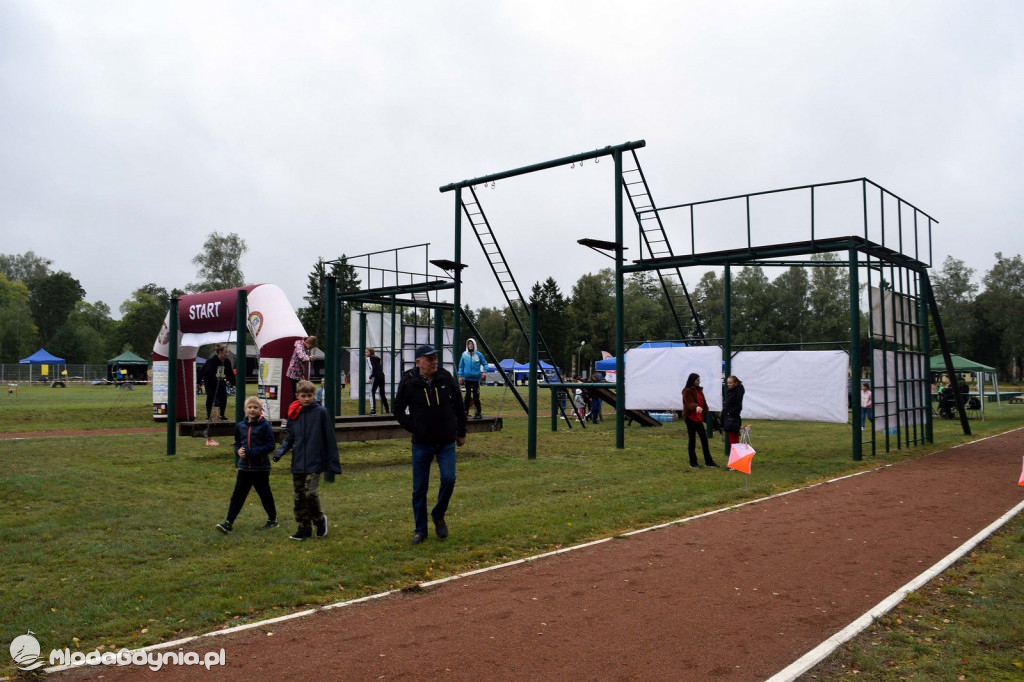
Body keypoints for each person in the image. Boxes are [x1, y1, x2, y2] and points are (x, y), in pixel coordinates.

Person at [392, 344, 467, 545]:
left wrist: (461, 432)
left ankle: (438, 514)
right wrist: (414, 427)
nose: (435, 362)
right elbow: (398, 409)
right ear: (419, 362)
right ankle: (420, 531)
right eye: (430, 359)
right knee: (419, 488)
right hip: (422, 444)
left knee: (449, 479)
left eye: (435, 358)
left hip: (446, 441)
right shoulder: (409, 381)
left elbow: (459, 404)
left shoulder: (445, 376)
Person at [273, 380, 341, 541]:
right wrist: (280, 452)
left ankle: (319, 520)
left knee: (310, 493)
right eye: (303, 396)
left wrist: (333, 463)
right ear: (297, 396)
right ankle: (304, 528)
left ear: (314, 395)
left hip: (315, 461)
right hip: (298, 461)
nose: (307, 399)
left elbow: (330, 438)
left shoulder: (321, 412)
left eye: (310, 395)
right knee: (299, 496)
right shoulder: (294, 413)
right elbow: (290, 437)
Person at [216, 397, 279, 534]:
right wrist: (238, 451)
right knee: (238, 495)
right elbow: (237, 443)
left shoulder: (264, 426)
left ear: (260, 410)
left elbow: (270, 445)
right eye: (250, 407)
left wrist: (252, 453)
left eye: (255, 407)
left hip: (261, 468)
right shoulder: (240, 426)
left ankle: (273, 519)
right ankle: (228, 523)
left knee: (264, 494)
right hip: (244, 467)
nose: (252, 410)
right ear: (245, 409)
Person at [681, 373, 719, 469]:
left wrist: (705, 409)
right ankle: (693, 463)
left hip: (698, 418)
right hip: (690, 418)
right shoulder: (687, 391)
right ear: (692, 380)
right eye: (697, 380)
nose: (699, 382)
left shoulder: (699, 390)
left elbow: (703, 403)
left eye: (699, 380)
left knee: (704, 439)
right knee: (692, 440)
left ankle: (709, 462)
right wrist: (696, 407)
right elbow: (689, 403)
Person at [201, 344, 234, 420]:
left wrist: (234, 383)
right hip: (209, 382)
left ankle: (222, 415)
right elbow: (203, 371)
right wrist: (199, 382)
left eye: (228, 352)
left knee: (223, 397)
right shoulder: (211, 360)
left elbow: (230, 373)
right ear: (220, 352)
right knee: (211, 397)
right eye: (226, 352)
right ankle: (209, 416)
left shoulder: (227, 361)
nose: (227, 354)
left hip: (220, 381)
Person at [458, 338, 487, 419]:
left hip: (476, 379)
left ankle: (478, 412)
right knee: (467, 395)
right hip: (467, 379)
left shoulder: (479, 354)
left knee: (475, 396)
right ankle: (465, 412)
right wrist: (460, 376)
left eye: (472, 344)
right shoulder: (464, 355)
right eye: (469, 344)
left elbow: (485, 364)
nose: (470, 345)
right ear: (467, 345)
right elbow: (461, 366)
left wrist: (484, 372)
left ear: (474, 345)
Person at [365, 347, 390, 414]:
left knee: (372, 392)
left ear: (370, 353)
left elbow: (372, 368)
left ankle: (373, 410)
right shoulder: (376, 358)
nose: (365, 353)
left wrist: (370, 377)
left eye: (367, 352)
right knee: (382, 393)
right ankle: (387, 410)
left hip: (376, 377)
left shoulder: (369, 358)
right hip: (382, 376)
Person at [723, 375, 745, 444]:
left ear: (735, 383)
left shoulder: (736, 392)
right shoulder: (732, 391)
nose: (728, 384)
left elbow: (738, 406)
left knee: (734, 441)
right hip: (731, 418)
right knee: (733, 440)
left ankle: (735, 451)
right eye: (727, 383)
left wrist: (729, 413)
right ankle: (734, 451)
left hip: (732, 419)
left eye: (730, 383)